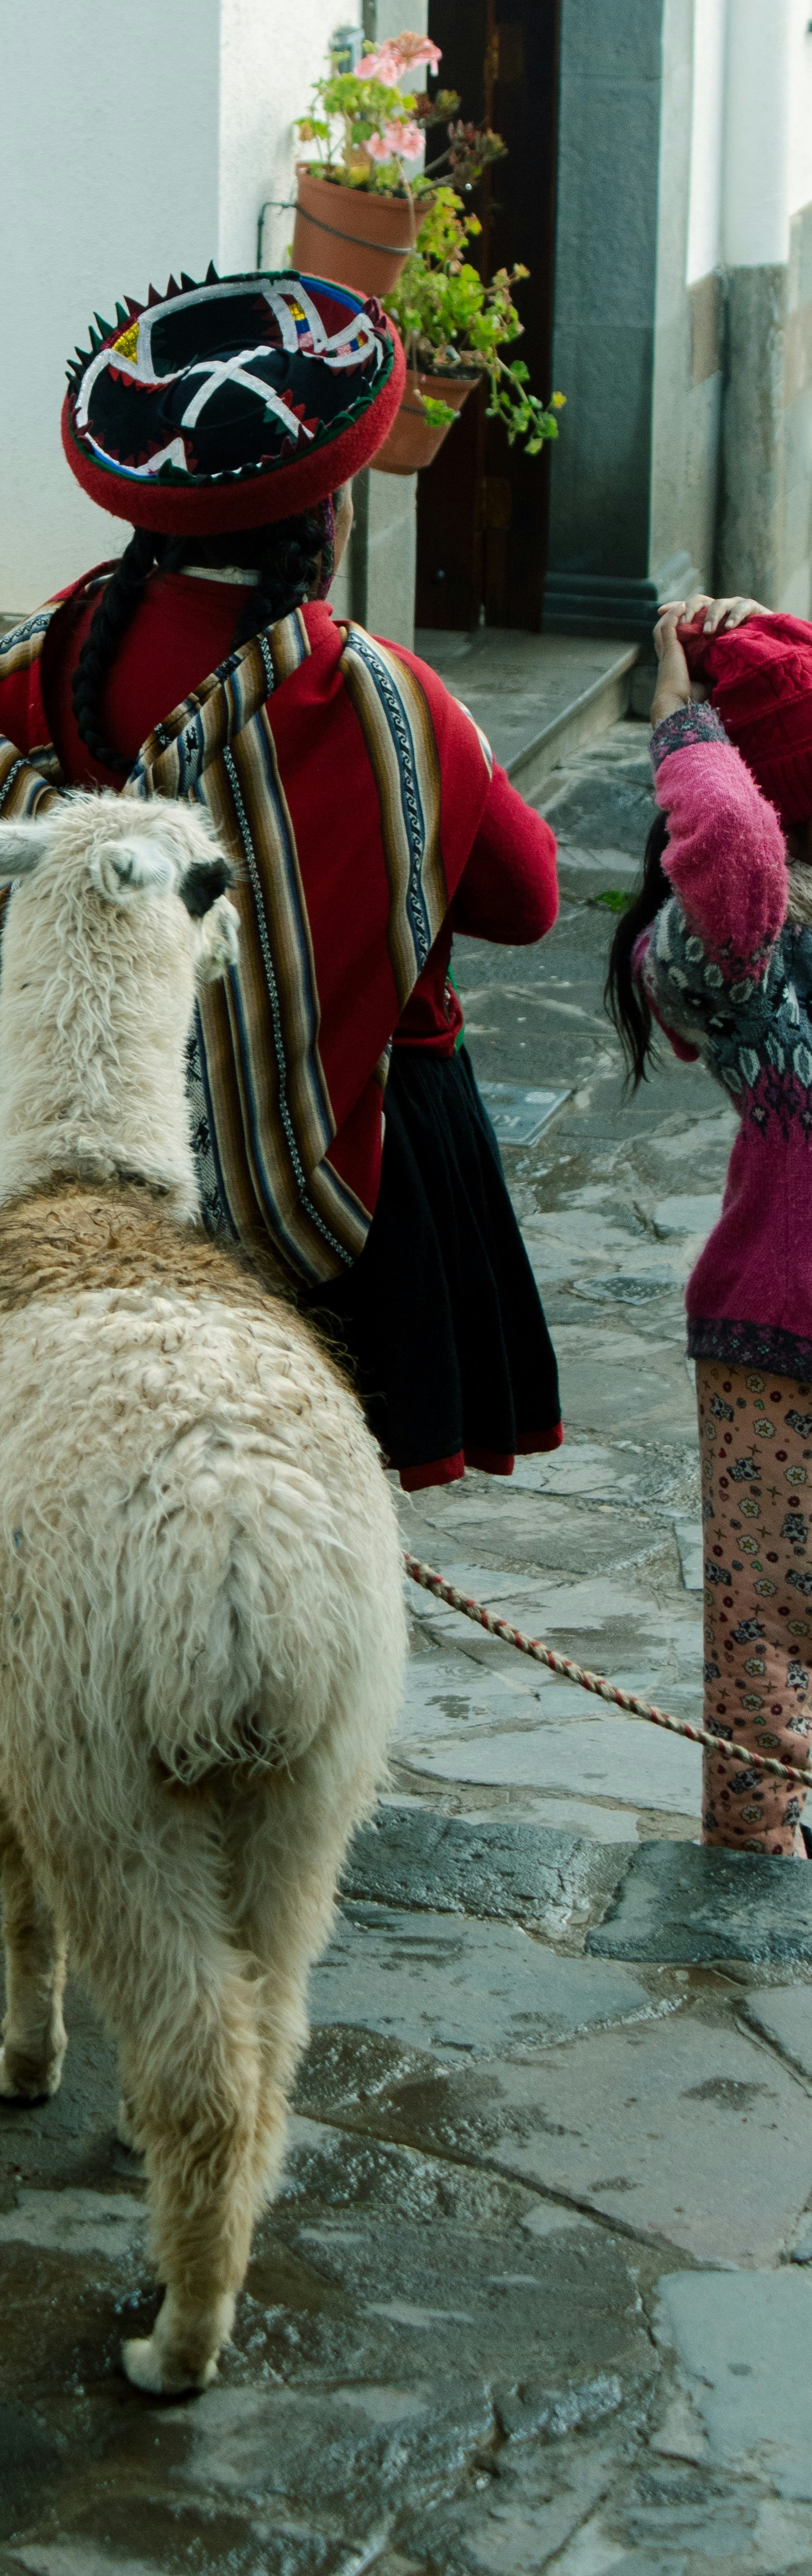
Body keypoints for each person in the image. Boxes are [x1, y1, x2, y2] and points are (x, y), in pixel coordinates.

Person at [0, 264, 563, 1488]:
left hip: (101, 1146)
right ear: (325, 516)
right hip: (350, 1157)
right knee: (313, 1502)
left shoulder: (37, 664)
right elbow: (526, 898)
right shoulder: (377, 699)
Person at [607, 592, 812, 1851]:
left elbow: (734, 817)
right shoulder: (723, 953)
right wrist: (710, 714)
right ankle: (755, 1909)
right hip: (775, 1337)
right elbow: (736, 845)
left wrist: (712, 689)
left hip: (768, 1329)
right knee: (761, 1681)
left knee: (761, 1653)